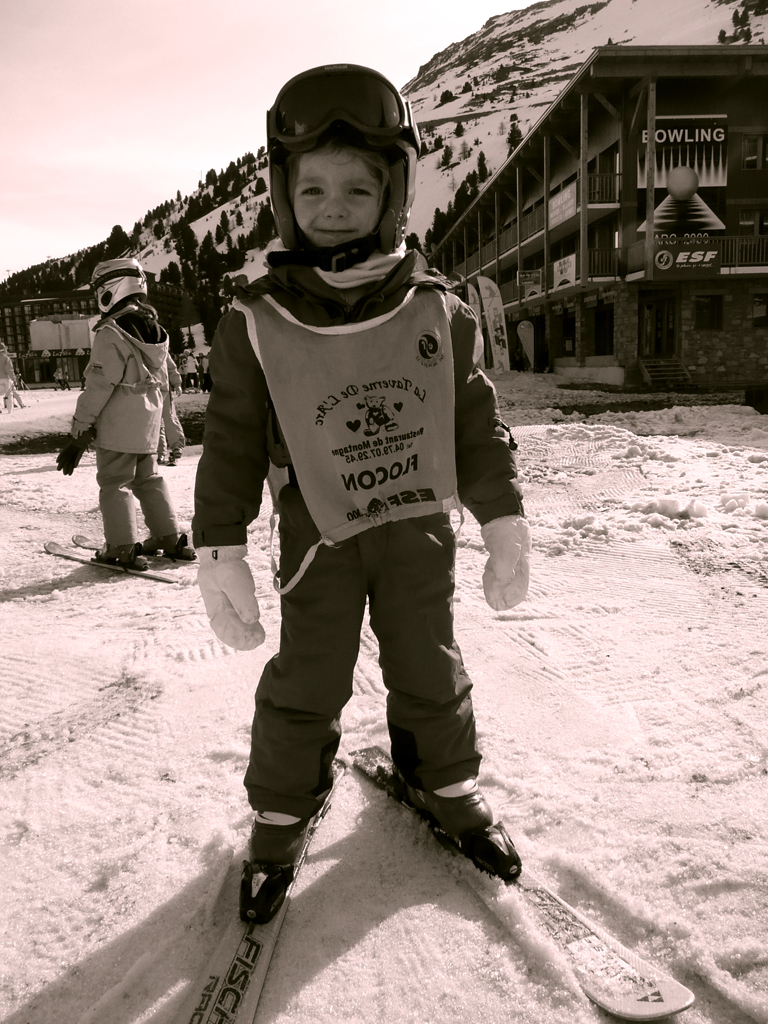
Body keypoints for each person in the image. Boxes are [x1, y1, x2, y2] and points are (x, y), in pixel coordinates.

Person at [191, 65, 531, 907]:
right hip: (321, 537)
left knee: (428, 659)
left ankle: (444, 779)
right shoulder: (256, 320)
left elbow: (475, 421)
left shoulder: (436, 309)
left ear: (394, 194)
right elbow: (230, 439)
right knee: (310, 673)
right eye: (313, 188)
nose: (334, 206)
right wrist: (219, 547)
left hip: (417, 529)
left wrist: (504, 518)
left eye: (357, 187)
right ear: (284, 197)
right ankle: (281, 809)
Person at [55, 258, 196, 568]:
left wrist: (80, 428)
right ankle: (168, 537)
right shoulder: (155, 330)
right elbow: (166, 377)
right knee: (148, 479)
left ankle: (121, 545)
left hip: (119, 422)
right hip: (148, 421)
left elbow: (99, 385)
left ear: (109, 290)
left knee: (114, 481)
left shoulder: (111, 332)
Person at [157, 353, 186, 466]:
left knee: (169, 417)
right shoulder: (139, 348)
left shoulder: (161, 349)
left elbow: (171, 368)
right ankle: (159, 452)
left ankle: (176, 447)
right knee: (154, 421)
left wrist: (177, 383)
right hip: (148, 389)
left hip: (163, 388)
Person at [0, 343, 15, 413]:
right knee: (9, 394)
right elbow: (10, 370)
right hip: (6, 378)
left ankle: (0, 408)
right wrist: (13, 378)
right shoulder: (6, 358)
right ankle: (10, 409)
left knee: (0, 394)